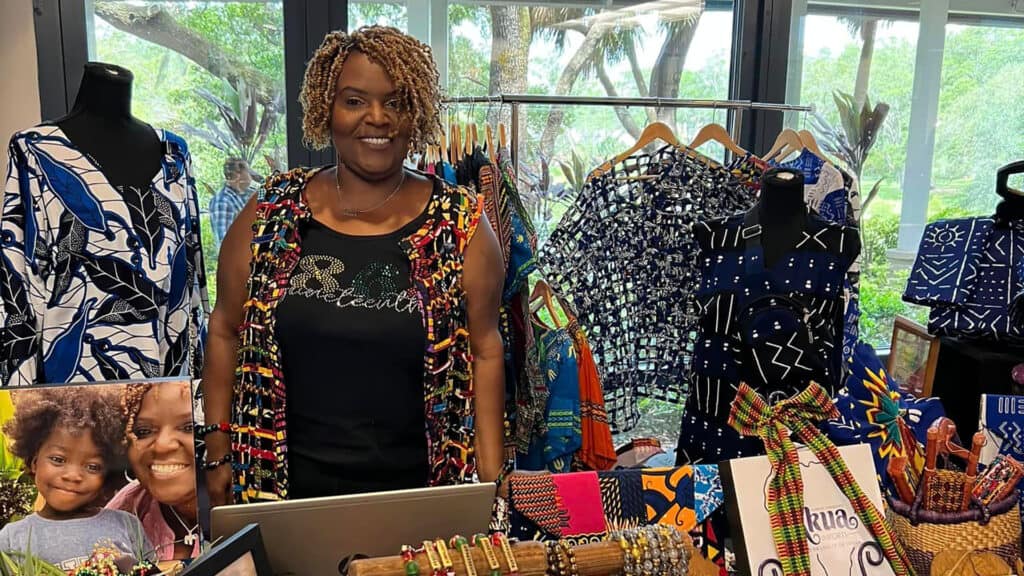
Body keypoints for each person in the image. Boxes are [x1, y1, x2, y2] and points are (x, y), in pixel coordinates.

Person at [201, 25, 506, 505]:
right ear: (327, 108)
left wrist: (491, 485)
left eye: (396, 102)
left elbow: (487, 352)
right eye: (355, 101)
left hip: (421, 498)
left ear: (417, 113)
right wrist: (217, 450)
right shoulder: (270, 213)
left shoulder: (460, 223)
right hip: (279, 493)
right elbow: (224, 330)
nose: (377, 118)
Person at [0, 387, 154, 570]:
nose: (73, 476)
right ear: (34, 462)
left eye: (92, 467)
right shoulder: (11, 539)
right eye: (58, 460)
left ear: (107, 474)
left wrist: (129, 565)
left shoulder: (126, 525)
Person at [107, 381, 200, 562]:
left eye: (189, 427)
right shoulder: (126, 510)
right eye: (143, 431)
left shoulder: (248, 502)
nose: (162, 445)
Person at [209, 157, 254, 250]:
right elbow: (226, 243)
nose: (251, 175)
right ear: (238, 175)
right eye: (248, 171)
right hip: (238, 260)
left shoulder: (250, 194)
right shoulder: (222, 201)